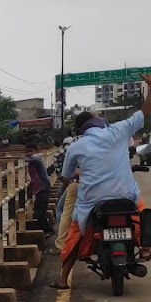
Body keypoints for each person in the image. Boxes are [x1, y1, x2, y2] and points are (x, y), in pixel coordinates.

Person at [52, 73, 151, 289]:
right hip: (125, 195)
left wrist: (75, 175)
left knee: (76, 233)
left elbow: (66, 176)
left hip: (92, 201)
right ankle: (145, 249)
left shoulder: (75, 146)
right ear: (97, 122)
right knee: (143, 212)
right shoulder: (119, 130)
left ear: (81, 129)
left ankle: (62, 279)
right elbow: (145, 111)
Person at [24, 146, 56, 236]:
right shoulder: (33, 160)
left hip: (43, 187)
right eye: (27, 151)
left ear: (36, 151)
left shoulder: (36, 159)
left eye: (31, 151)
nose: (29, 153)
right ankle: (46, 229)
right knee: (38, 210)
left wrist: (21, 159)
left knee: (40, 211)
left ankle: (48, 229)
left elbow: (26, 160)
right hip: (39, 188)